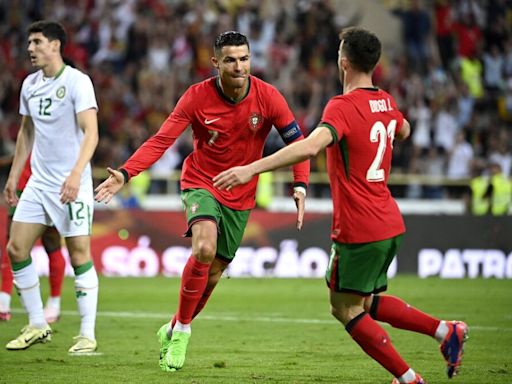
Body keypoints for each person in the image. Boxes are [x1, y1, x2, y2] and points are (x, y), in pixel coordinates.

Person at [213, 27, 468, 384]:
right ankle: (445, 331)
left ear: (343, 62)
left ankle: (408, 378)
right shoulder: (387, 101)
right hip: (390, 221)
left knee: (344, 308)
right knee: (364, 302)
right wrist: (390, 122)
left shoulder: (342, 106)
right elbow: (404, 128)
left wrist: (251, 168)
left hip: (360, 226)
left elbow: (309, 146)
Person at [94, 31, 310, 371]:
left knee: (213, 274)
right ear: (216, 63)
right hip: (201, 183)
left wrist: (300, 185)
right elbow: (162, 139)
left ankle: (173, 326)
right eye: (230, 60)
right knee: (204, 249)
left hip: (241, 194)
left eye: (244, 59)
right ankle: (183, 331)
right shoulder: (196, 97)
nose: (239, 67)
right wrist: (126, 172)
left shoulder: (269, 97)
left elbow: (299, 144)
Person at [3, 20, 99, 353]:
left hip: (72, 183)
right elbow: (26, 133)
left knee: (78, 255)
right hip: (40, 183)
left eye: (37, 42)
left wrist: (75, 175)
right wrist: (14, 176)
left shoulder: (77, 82)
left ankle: (87, 334)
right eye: (29, 42)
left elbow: (92, 133)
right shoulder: (29, 85)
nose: (30, 48)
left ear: (55, 45)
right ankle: (36, 323)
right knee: (16, 248)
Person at [1, 156, 66, 322]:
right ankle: (5, 301)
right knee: (15, 245)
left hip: (45, 184)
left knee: (48, 243)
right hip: (35, 184)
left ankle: (53, 303)